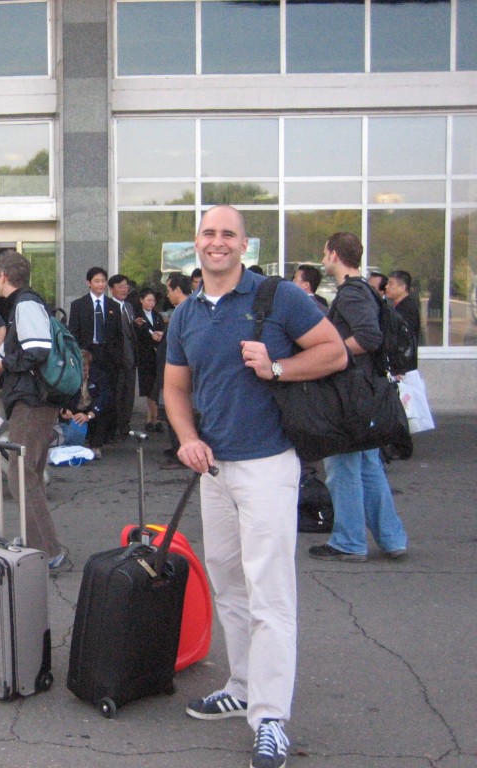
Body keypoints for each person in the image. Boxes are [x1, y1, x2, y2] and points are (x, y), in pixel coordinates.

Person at [164, 205, 346, 768]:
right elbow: (174, 390)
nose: (217, 243)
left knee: (270, 594)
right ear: (197, 244)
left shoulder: (277, 298)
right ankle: (241, 684)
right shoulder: (186, 313)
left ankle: (270, 718)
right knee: (228, 584)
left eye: (228, 235)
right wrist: (187, 438)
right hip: (214, 469)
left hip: (268, 465)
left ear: (244, 245)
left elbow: (334, 351)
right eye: (209, 233)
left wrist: (278, 367)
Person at [0, 249, 68, 571]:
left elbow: (38, 350)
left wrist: (4, 362)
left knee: (21, 477)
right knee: (28, 477)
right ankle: (40, 545)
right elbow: (11, 361)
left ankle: (48, 552)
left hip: (33, 404)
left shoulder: (25, 304)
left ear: (2, 276)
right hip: (32, 402)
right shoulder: (22, 305)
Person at [311, 232, 409, 563]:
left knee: (341, 465)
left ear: (335, 255)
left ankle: (349, 541)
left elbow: (368, 336)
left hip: (349, 393)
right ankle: (392, 538)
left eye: (325, 253)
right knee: (368, 466)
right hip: (365, 389)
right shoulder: (365, 289)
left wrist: (332, 353)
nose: (323, 259)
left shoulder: (351, 294)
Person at [69, 267, 122, 442]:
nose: (101, 284)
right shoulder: (78, 305)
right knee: (87, 392)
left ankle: (106, 435)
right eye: (97, 281)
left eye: (103, 281)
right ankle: (88, 434)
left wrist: (117, 356)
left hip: (108, 355)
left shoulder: (113, 305)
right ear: (88, 283)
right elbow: (73, 333)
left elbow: (118, 335)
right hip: (87, 354)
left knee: (107, 393)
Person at [158, 273, 191, 470]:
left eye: (169, 290)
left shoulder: (185, 311)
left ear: (178, 290)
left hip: (179, 375)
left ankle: (182, 452)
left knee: (177, 411)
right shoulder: (187, 309)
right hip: (174, 372)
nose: (168, 295)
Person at [58, 349, 111, 458]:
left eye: (85, 368)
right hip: (73, 409)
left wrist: (89, 415)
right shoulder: (67, 377)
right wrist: (63, 410)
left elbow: (103, 397)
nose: (83, 371)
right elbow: (61, 396)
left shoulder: (99, 376)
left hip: (90, 408)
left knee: (102, 415)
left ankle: (96, 445)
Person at [107, 274, 137, 441]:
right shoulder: (109, 307)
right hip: (116, 359)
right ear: (112, 289)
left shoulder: (129, 307)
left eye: (126, 286)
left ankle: (125, 425)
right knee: (116, 394)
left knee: (128, 394)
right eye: (120, 286)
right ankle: (115, 427)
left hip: (131, 358)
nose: (124, 289)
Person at [133, 286, 165, 432]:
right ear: (141, 300)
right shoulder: (137, 317)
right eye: (149, 300)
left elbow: (162, 330)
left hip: (157, 355)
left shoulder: (157, 316)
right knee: (149, 387)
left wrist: (160, 334)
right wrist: (148, 335)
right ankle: (154, 418)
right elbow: (137, 336)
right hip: (145, 356)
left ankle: (153, 418)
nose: (151, 303)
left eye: (153, 300)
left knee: (156, 387)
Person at [385, 269, 422, 371]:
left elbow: (405, 339)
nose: (386, 287)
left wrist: (399, 366)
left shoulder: (407, 308)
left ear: (402, 287)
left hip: (403, 369)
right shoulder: (394, 307)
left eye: (391, 284)